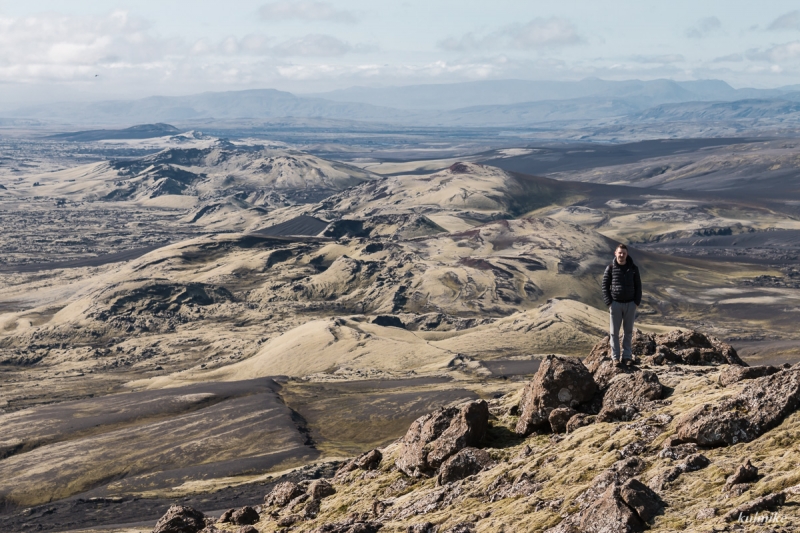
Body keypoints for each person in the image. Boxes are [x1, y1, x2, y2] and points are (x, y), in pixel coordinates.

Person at [601, 243, 642, 366]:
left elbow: (638, 286)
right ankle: (615, 358)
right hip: (615, 304)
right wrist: (609, 303)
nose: (622, 255)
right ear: (615, 253)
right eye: (620, 252)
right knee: (614, 332)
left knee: (628, 331)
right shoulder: (610, 268)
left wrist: (636, 302)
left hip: (630, 304)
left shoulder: (633, 269)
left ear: (627, 254)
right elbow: (605, 286)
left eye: (624, 253)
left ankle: (627, 357)